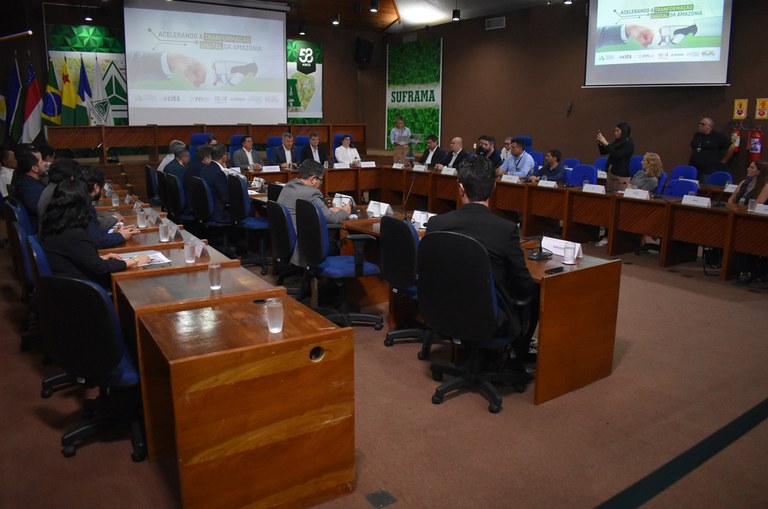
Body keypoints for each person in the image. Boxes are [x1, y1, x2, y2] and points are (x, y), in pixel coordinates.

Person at [426, 156, 537, 372]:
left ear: (460, 189)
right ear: (494, 187)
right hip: (489, 319)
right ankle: (516, 356)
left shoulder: (436, 223)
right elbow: (523, 285)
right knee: (532, 296)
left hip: (444, 312)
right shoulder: (505, 230)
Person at [40, 179, 149, 289]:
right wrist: (134, 261)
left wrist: (100, 257)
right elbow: (100, 268)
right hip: (82, 288)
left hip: (66, 282)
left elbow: (77, 254)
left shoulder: (54, 222)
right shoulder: (74, 233)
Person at [277, 159, 351, 265]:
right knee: (339, 235)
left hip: (286, 236)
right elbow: (332, 219)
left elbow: (308, 210)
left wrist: (326, 210)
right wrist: (345, 211)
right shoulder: (311, 193)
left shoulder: (290, 185)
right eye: (320, 180)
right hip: (305, 240)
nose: (320, 184)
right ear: (313, 179)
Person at [79, 165, 140, 248]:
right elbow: (96, 241)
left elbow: (93, 231)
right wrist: (121, 236)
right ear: (96, 188)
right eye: (102, 188)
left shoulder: (80, 203)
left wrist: (113, 231)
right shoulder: (84, 207)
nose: (103, 190)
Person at [12, 147, 47, 232]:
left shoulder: (28, 182)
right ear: (35, 168)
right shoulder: (27, 188)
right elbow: (44, 212)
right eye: (41, 161)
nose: (45, 163)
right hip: (43, 230)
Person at [597, 121, 634, 191]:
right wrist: (601, 143)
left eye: (617, 130)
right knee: (609, 194)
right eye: (615, 130)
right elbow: (604, 152)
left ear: (624, 131)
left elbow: (617, 154)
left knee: (618, 195)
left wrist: (607, 143)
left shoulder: (629, 144)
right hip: (611, 172)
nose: (615, 132)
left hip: (621, 175)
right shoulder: (617, 142)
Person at [199, 144, 232, 223]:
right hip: (219, 213)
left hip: (207, 210)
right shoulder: (219, 173)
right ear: (224, 156)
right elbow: (226, 198)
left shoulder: (205, 169)